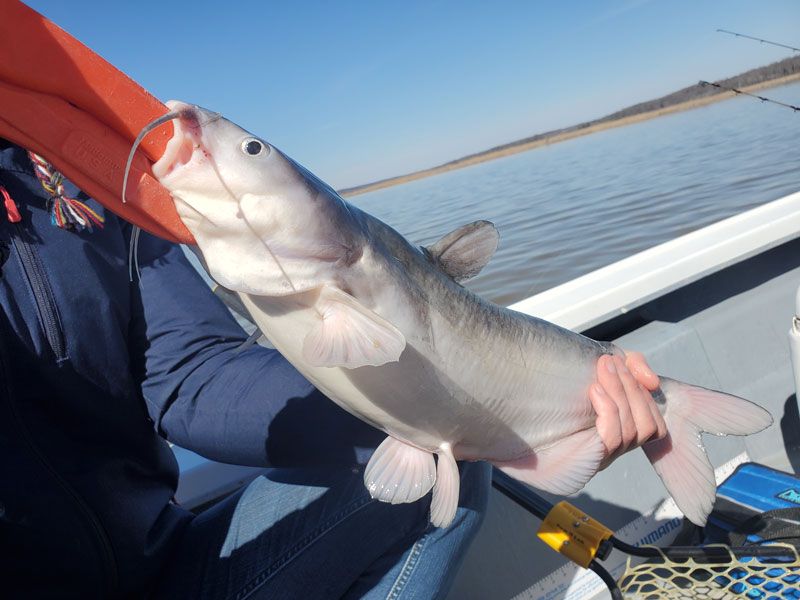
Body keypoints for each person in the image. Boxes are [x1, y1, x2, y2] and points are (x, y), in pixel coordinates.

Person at [0, 138, 665, 599]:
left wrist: (455, 411)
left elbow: (188, 374)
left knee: (445, 458)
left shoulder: (59, 160)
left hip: (166, 564)